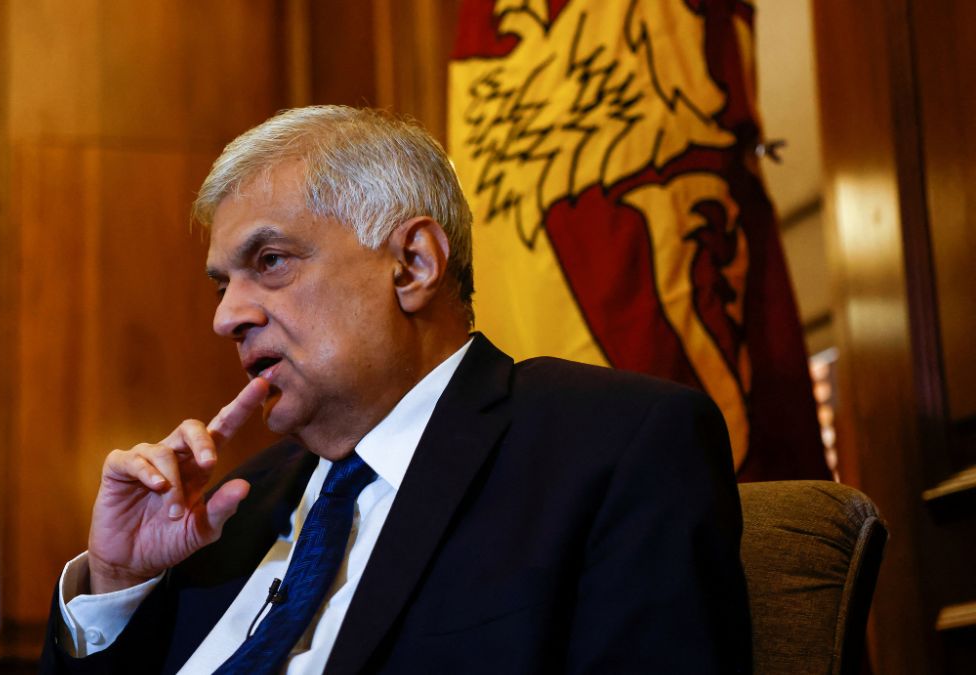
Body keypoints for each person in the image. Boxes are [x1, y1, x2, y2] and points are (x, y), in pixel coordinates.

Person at [40, 105, 751, 674]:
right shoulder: (233, 507)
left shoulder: (613, 446)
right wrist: (116, 581)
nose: (227, 316)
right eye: (224, 283)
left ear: (412, 265)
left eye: (271, 261)